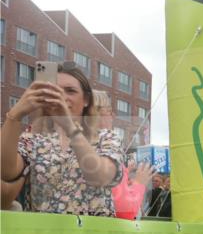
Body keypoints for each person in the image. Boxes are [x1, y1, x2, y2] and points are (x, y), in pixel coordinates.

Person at [1, 62, 124, 216]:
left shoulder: (106, 138)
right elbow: (6, 172)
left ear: (86, 99)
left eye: (70, 91)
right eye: (55, 91)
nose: (62, 97)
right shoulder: (33, 140)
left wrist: (69, 126)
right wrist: (15, 115)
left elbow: (100, 177)